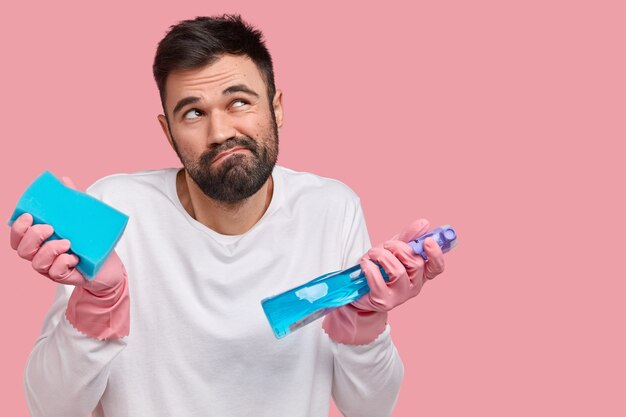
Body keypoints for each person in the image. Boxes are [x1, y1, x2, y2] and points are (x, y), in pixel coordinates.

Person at [10, 15, 445, 417]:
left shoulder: (330, 208)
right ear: (168, 132)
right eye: (194, 113)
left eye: (239, 102)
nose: (220, 133)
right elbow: (51, 408)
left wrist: (364, 322)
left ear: (276, 108)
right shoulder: (115, 205)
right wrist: (99, 306)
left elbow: (370, 408)